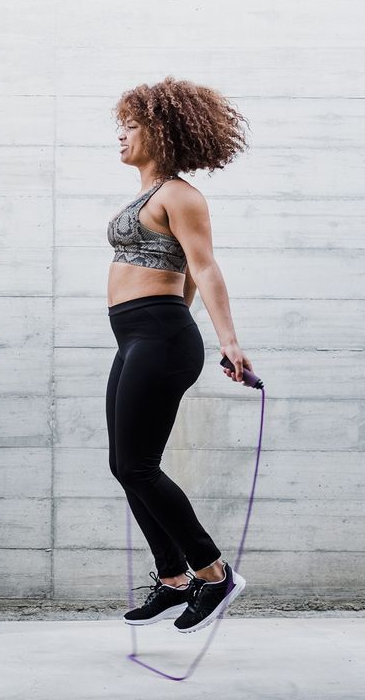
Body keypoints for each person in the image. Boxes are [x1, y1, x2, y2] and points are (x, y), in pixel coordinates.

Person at [104, 76, 253, 633]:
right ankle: (172, 578)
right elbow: (184, 274)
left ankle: (213, 574)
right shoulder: (146, 197)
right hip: (139, 335)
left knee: (138, 465)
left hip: (160, 336)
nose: (121, 135)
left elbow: (205, 265)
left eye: (132, 125)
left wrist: (227, 341)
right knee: (125, 465)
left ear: (160, 131)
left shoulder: (180, 195)